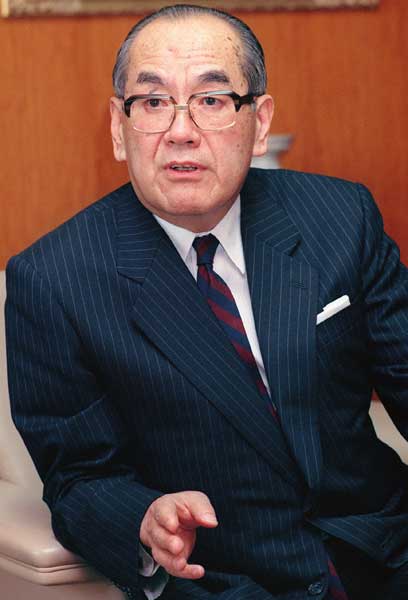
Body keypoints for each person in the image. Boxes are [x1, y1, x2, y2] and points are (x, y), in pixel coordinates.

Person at [5, 4, 408, 600]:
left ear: (260, 122)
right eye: (153, 102)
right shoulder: (54, 280)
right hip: (226, 580)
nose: (181, 131)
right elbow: (79, 480)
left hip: (383, 551)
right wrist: (144, 519)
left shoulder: (340, 217)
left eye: (212, 100)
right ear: (118, 127)